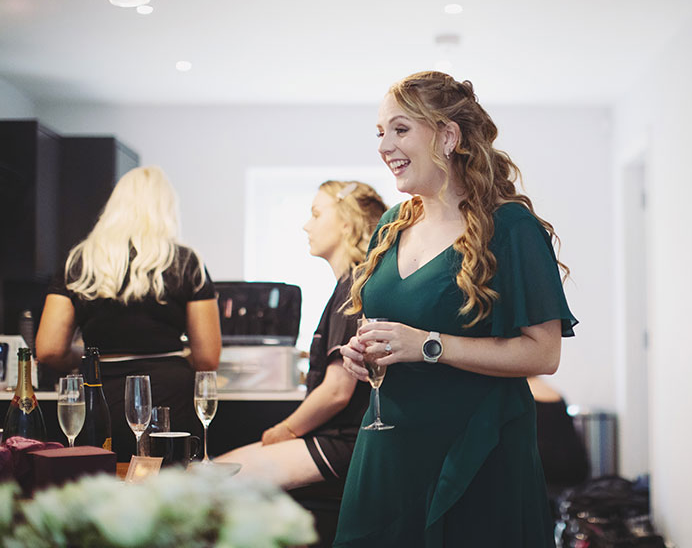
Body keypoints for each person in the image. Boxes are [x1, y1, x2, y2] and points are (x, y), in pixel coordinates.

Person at [335, 71, 578, 547]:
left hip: (476, 451)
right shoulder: (390, 225)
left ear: (448, 136)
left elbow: (543, 353)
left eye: (400, 129)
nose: (384, 146)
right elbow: (384, 325)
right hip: (387, 445)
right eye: (380, 132)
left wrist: (428, 346)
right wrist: (362, 353)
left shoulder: (511, 228)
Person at [34, 166, 221, 462]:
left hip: (100, 394)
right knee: (168, 479)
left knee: (101, 477)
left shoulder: (80, 261)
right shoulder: (186, 262)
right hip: (169, 396)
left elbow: (48, 349)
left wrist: (86, 358)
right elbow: (208, 358)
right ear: (166, 210)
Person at [217, 180, 388, 489]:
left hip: (343, 443)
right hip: (338, 437)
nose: (306, 226)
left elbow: (337, 392)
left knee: (213, 479)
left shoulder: (354, 286)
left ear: (347, 223)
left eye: (316, 214)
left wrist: (285, 430)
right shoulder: (351, 283)